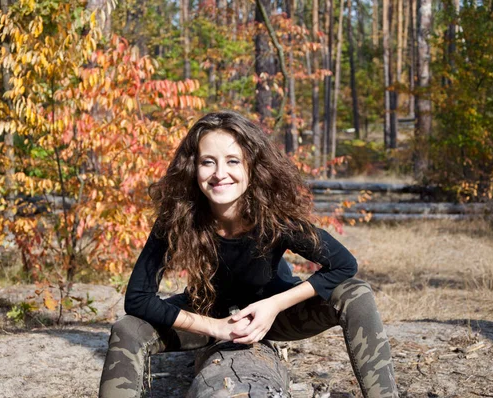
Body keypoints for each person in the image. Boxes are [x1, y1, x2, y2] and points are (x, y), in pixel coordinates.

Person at [98, 111, 398, 398]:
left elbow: (343, 264)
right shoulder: (177, 218)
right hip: (206, 316)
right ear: (193, 168)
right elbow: (137, 298)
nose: (220, 174)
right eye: (207, 162)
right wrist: (213, 327)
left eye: (233, 161)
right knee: (127, 328)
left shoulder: (276, 218)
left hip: (275, 317)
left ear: (252, 167)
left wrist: (273, 306)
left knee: (356, 293)